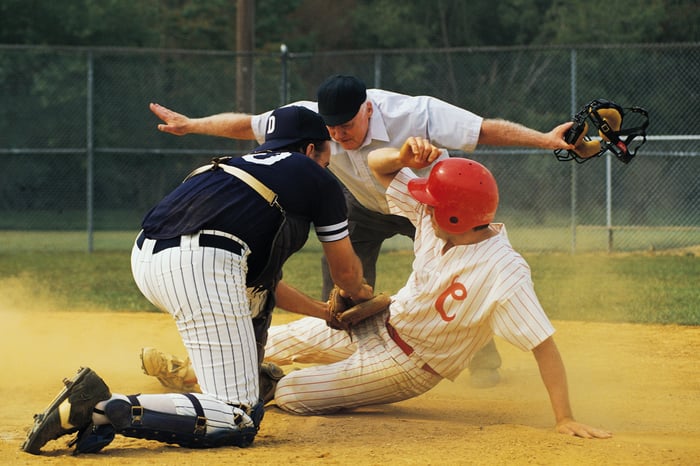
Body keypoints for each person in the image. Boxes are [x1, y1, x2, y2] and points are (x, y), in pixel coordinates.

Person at [148, 74, 577, 387]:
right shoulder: (315, 120)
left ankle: (482, 359)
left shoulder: (415, 113)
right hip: (363, 206)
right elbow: (250, 125)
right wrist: (192, 125)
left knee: (456, 278)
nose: (338, 135)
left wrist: (546, 139)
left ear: (368, 108)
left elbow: (483, 131)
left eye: (346, 127)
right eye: (330, 129)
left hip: (423, 203)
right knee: (342, 282)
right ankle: (346, 352)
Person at [21, 106, 374, 455]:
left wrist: (323, 313)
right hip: (203, 266)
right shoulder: (314, 175)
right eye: (326, 158)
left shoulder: (232, 167)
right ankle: (102, 407)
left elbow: (263, 284)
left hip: (149, 259)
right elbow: (345, 274)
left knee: (256, 295)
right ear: (310, 149)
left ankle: (245, 373)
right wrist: (359, 293)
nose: (327, 166)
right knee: (239, 417)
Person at [256, 138, 611, 438]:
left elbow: (542, 344)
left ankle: (286, 384)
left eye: (432, 202)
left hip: (409, 367)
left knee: (292, 392)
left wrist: (564, 417)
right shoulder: (434, 217)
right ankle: (206, 373)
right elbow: (377, 166)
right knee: (271, 341)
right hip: (376, 323)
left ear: (454, 215)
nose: (424, 204)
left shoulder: (504, 269)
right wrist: (401, 157)